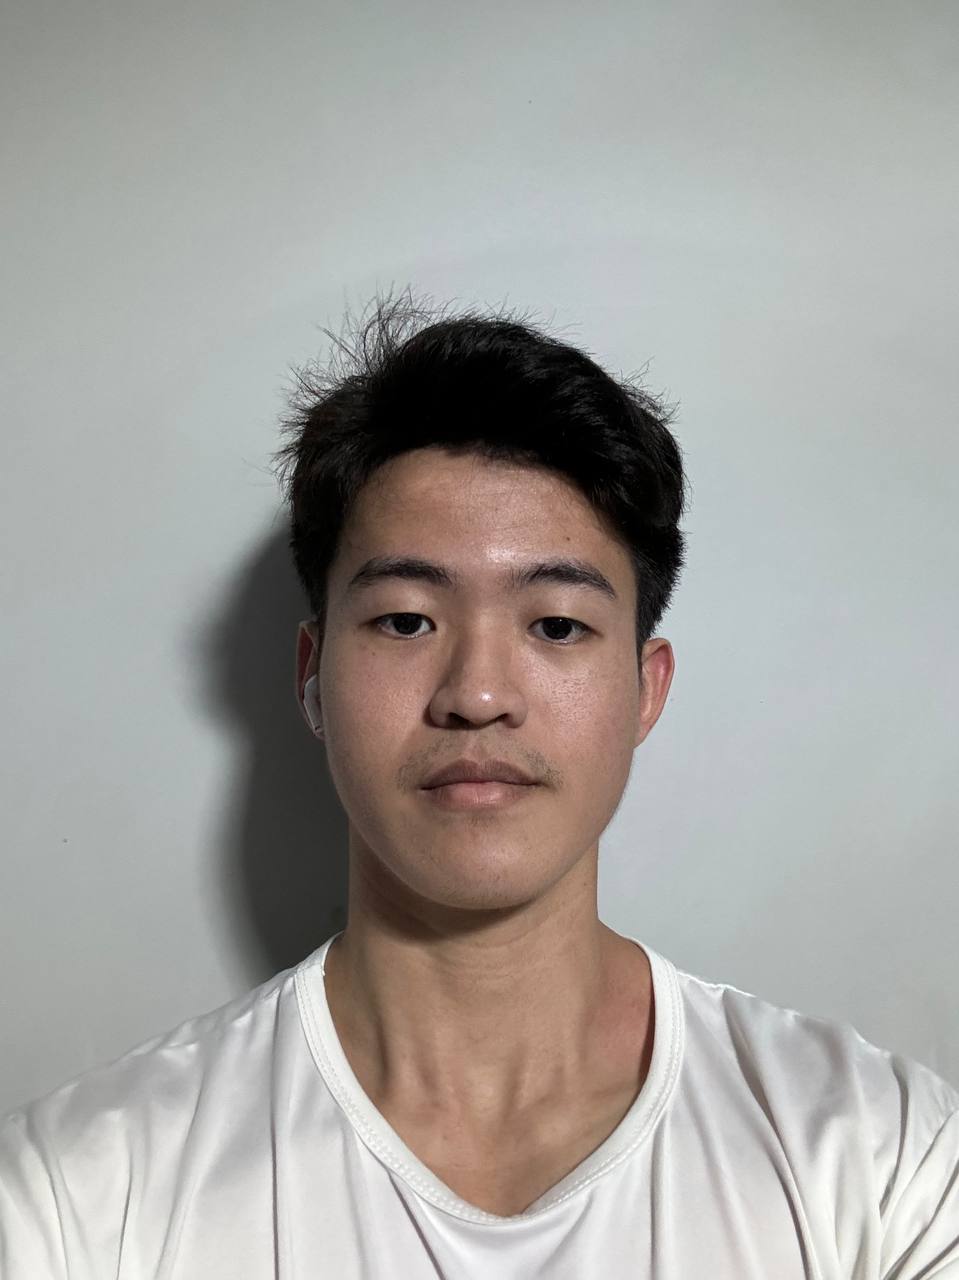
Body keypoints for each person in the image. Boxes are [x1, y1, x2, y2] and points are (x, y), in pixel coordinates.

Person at [1, 294, 956, 1279]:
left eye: (556, 625)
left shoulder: (884, 1163)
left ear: (645, 688)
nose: (478, 694)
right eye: (406, 620)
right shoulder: (79, 1197)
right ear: (311, 676)